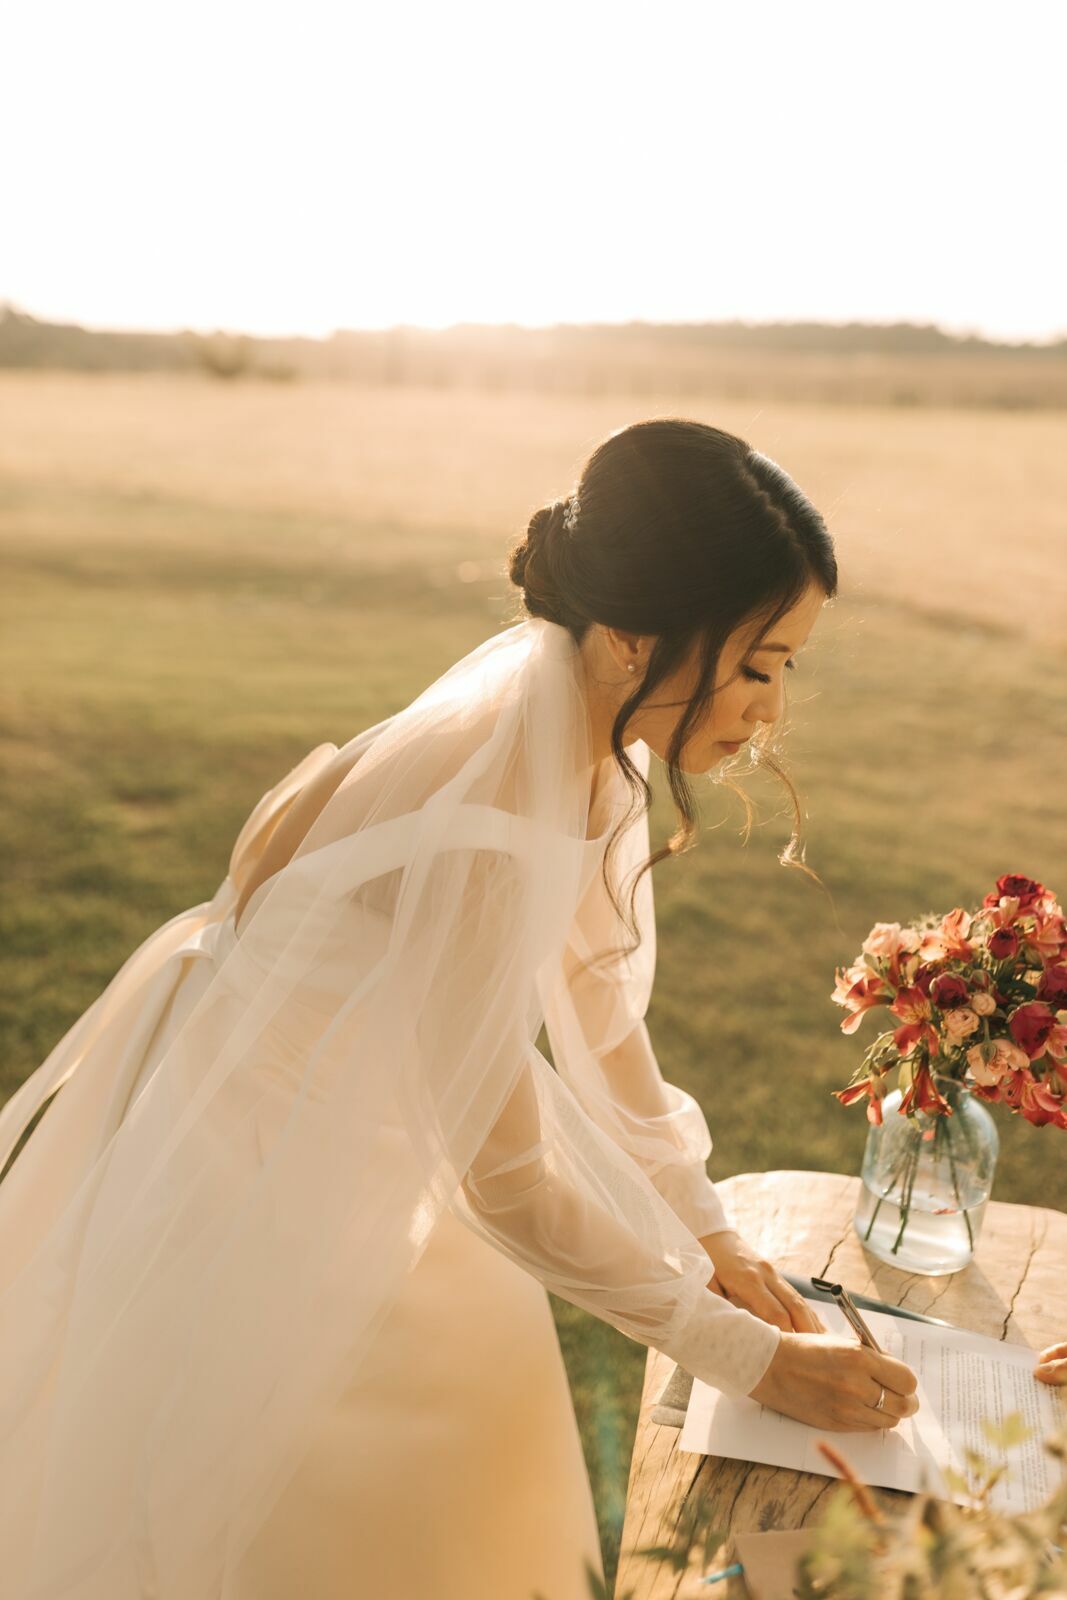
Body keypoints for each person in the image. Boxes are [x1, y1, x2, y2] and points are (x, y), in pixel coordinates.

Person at [0, 418, 918, 1599]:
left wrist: (711, 1235)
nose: (771, 708)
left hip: (375, 1119)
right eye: (755, 664)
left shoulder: (589, 746)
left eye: (787, 666)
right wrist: (747, 1359)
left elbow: (597, 1012)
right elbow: (507, 1179)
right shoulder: (487, 818)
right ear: (633, 638)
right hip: (272, 1174)